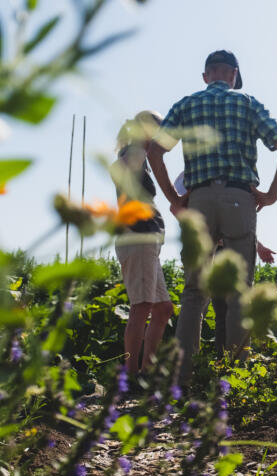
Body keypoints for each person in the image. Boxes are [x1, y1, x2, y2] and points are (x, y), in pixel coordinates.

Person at [147, 50, 277, 386]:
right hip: (240, 197)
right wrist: (271, 194)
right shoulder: (247, 103)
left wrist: (175, 198)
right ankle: (236, 376)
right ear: (233, 74)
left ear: (206, 75)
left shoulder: (187, 104)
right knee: (240, 291)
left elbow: (155, 152)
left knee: (194, 290)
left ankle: (183, 378)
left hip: (198, 198)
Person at [171, 172, 277, 357]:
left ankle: (221, 359)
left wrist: (258, 247)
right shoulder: (190, 175)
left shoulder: (220, 171)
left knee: (222, 307)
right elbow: (176, 208)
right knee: (198, 299)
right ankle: (198, 360)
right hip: (203, 243)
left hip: (225, 247)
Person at [111, 111, 174, 377]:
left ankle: (146, 371)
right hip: (138, 238)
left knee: (162, 309)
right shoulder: (135, 154)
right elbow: (123, 170)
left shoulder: (138, 155)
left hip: (145, 242)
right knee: (141, 308)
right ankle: (132, 375)